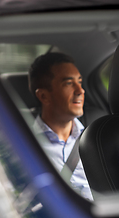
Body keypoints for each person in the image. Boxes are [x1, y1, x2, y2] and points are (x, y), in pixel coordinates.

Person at [29, 52, 93, 200]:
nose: (80, 90)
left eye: (79, 82)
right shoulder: (25, 145)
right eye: (69, 83)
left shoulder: (95, 139)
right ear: (44, 96)